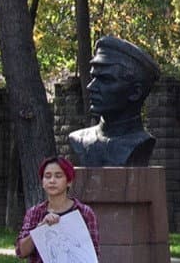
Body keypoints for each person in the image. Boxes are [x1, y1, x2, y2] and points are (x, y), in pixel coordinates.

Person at [67, 36, 160, 167]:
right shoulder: (79, 140)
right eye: (93, 78)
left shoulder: (141, 144)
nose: (91, 87)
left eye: (105, 80)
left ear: (135, 92)